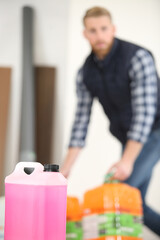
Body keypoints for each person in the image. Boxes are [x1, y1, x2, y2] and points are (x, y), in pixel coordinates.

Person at [61, 6, 160, 235]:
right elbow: (81, 120)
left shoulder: (137, 58)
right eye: (92, 30)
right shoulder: (85, 72)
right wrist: (65, 168)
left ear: (113, 29)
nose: (99, 35)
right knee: (136, 204)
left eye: (103, 29)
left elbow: (145, 113)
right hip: (129, 136)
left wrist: (127, 160)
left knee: (120, 193)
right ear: (85, 34)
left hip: (155, 131)